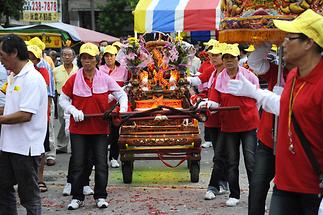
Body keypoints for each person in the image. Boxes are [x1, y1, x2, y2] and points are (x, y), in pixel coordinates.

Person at [226, 9, 323, 214]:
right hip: (285, 183)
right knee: (258, 188)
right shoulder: (294, 74)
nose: (284, 42)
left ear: (309, 43)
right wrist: (255, 93)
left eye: (290, 38)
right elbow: (286, 106)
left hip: (313, 187)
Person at [59, 43, 128, 210]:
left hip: (99, 128)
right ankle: (77, 196)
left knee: (101, 163)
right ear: (80, 60)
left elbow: (121, 94)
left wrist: (121, 110)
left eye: (90, 58)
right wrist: (73, 110)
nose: (87, 61)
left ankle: (100, 195)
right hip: (79, 129)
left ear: (97, 60)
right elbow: (63, 99)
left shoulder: (104, 78)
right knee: (78, 163)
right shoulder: (74, 78)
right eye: (84, 57)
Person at [204, 43, 259, 207]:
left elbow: (258, 98)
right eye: (226, 57)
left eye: (232, 58)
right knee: (232, 162)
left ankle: (256, 196)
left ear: (238, 58)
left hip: (248, 124)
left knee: (251, 162)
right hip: (228, 126)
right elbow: (214, 101)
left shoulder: (249, 76)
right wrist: (207, 106)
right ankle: (234, 194)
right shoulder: (219, 78)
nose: (228, 61)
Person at [0, 34, 48, 215]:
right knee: (3, 187)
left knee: (28, 195)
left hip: (26, 147)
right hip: (8, 144)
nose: (1, 61)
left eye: (2, 56)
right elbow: (13, 108)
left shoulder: (32, 79)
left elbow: (25, 114)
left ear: (14, 53)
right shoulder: (14, 76)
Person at [246, 42, 294, 215]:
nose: (287, 49)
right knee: (257, 186)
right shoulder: (278, 71)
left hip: (292, 146)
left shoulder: (308, 76)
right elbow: (255, 62)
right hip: (267, 141)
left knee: (284, 193)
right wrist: (269, 41)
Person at [196, 43, 229, 199]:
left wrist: (211, 103)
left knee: (220, 154)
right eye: (211, 55)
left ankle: (213, 186)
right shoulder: (213, 71)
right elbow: (198, 79)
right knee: (220, 153)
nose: (213, 57)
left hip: (224, 119)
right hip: (212, 119)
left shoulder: (228, 73)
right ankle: (223, 183)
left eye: (216, 55)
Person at [26, 37, 57, 166]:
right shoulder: (26, 65)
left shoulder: (43, 65)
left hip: (45, 102)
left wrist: (48, 107)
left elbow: (48, 90)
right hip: (32, 102)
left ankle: (50, 154)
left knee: (47, 127)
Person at [99, 45, 129, 168]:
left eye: (111, 55)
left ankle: (113, 157)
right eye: (106, 55)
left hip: (116, 106)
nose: (109, 58)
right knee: (100, 133)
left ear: (115, 56)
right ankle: (98, 160)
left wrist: (118, 97)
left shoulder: (124, 70)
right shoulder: (99, 69)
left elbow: (128, 86)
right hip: (102, 105)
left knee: (115, 132)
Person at [27, 45, 51, 193]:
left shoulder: (42, 72)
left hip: (40, 116)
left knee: (41, 149)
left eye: (33, 57)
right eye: (28, 56)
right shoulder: (15, 73)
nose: (30, 59)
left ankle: (40, 179)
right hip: (23, 117)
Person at [54, 47, 78, 153]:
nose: (67, 57)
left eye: (69, 55)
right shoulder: (55, 70)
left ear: (73, 56)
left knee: (76, 120)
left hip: (76, 98)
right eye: (65, 55)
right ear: (61, 56)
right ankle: (62, 145)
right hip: (61, 98)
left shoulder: (78, 70)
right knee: (63, 121)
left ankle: (75, 145)